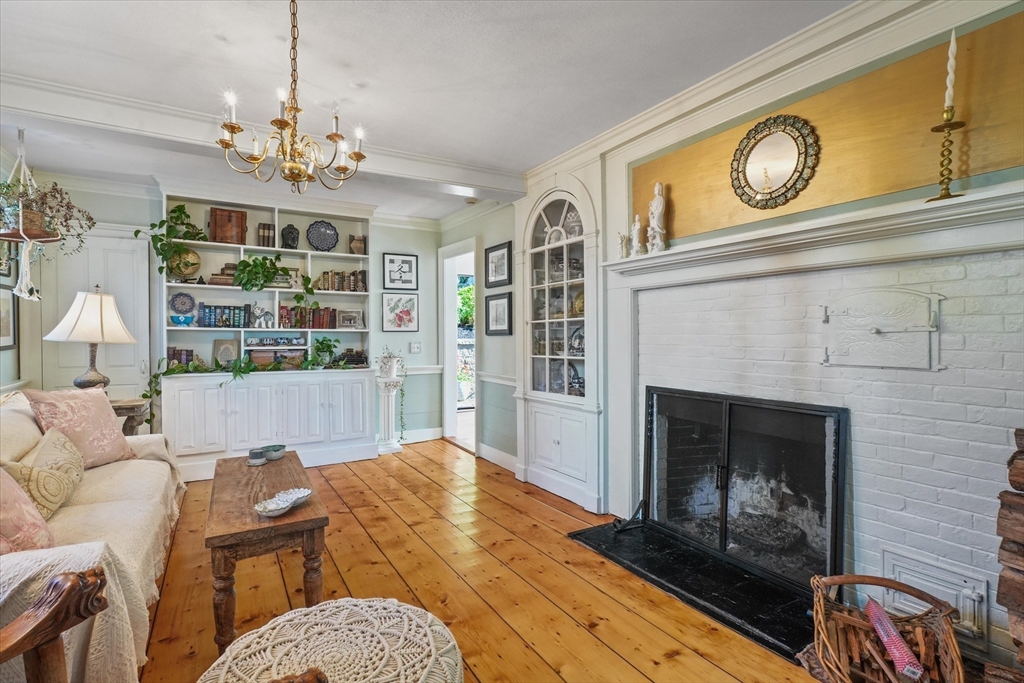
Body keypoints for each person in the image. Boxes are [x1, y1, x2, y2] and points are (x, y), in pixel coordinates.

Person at [648, 182, 666, 254]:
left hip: (657, 219)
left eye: (657, 188)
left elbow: (660, 210)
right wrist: (651, 211)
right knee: (652, 232)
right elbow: (651, 210)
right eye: (655, 188)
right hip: (653, 219)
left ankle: (658, 245)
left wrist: (655, 215)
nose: (656, 190)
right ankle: (653, 244)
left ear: (660, 190)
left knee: (657, 233)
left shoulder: (661, 199)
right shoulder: (654, 200)